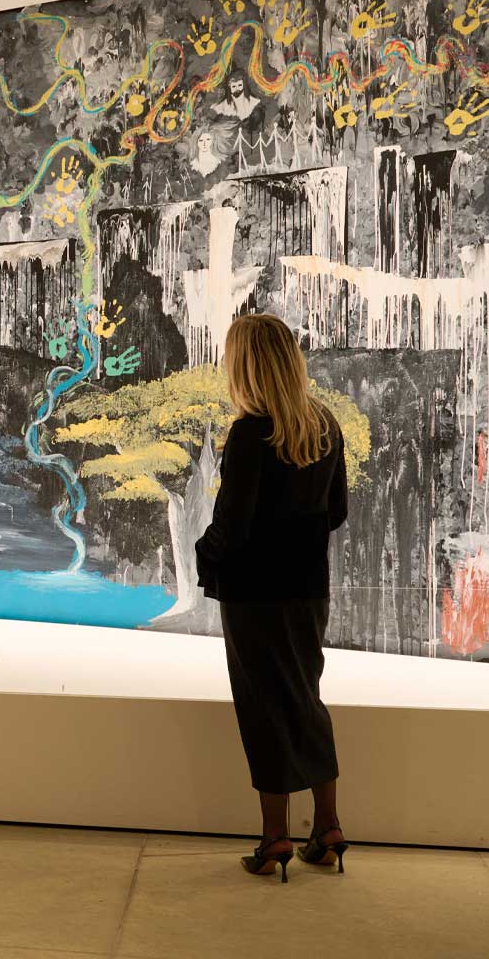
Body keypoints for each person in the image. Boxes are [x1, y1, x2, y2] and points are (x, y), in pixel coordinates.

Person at [195, 314, 350, 883]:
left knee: (263, 707)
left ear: (247, 366)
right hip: (307, 589)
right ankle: (328, 829)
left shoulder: (249, 435)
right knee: (305, 698)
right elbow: (337, 512)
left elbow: (231, 527)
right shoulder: (324, 424)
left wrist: (203, 554)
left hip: (254, 595)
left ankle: (274, 838)